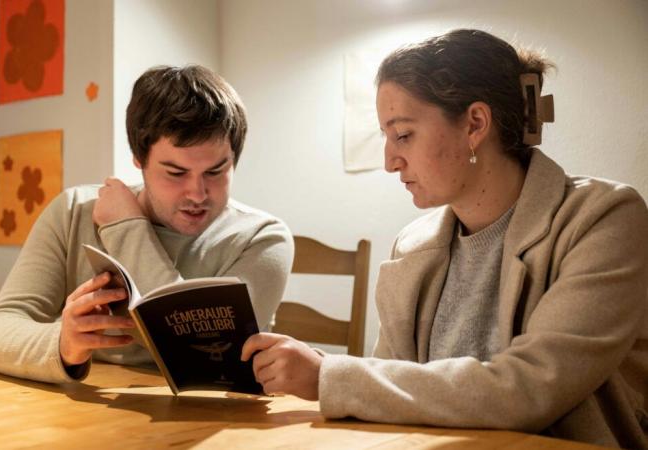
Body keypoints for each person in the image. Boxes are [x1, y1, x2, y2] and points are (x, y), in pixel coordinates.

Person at [241, 29, 648, 448]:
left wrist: (327, 374)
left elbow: (531, 388)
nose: (389, 161)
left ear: (474, 124)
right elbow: (389, 394)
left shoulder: (604, 218)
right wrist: (333, 375)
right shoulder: (413, 246)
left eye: (402, 135)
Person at [0, 65, 293, 383]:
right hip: (87, 414)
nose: (198, 194)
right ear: (138, 159)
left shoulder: (263, 238)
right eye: (175, 172)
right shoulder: (74, 211)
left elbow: (205, 362)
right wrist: (63, 345)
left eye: (215, 171)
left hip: (213, 417)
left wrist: (128, 229)